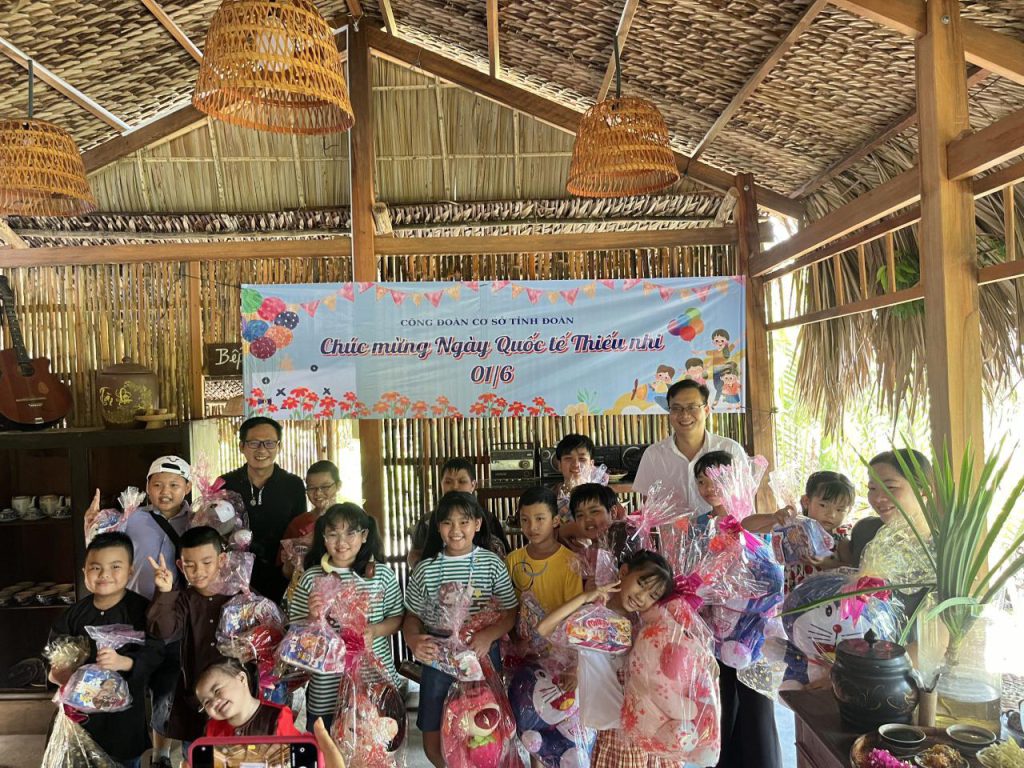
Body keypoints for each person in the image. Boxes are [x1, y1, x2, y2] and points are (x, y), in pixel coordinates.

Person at [83, 456, 192, 768]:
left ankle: (161, 755)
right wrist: (89, 529)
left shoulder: (199, 520)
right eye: (157, 484)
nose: (165, 491)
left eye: (174, 485)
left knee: (167, 687)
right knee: (127, 682)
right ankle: (123, 752)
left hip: (174, 618)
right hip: (132, 615)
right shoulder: (131, 518)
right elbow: (102, 550)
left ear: (187, 487)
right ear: (147, 487)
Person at [403, 491, 518, 768]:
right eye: (447, 522)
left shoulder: (491, 563)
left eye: (464, 522)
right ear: (438, 527)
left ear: (477, 524)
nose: (455, 530)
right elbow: (412, 616)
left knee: (486, 729)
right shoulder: (426, 569)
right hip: (437, 657)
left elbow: (510, 612)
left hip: (482, 654)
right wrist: (413, 640)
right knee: (433, 734)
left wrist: (489, 635)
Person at [537, 551, 676, 768]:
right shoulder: (593, 618)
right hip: (610, 726)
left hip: (641, 725)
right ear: (624, 572)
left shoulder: (646, 624)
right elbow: (545, 628)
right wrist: (585, 598)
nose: (642, 597)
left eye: (652, 595)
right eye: (641, 584)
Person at [691, 454, 782, 768]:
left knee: (757, 703)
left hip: (753, 631)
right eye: (701, 481)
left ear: (735, 481)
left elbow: (771, 576)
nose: (708, 488)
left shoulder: (756, 521)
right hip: (714, 629)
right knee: (721, 701)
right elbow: (692, 571)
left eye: (717, 480)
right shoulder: (699, 524)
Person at [48, 532, 164, 768]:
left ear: (130, 571)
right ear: (84, 572)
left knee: (124, 761)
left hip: (123, 721)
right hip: (80, 718)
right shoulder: (74, 614)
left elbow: (156, 651)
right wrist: (56, 672)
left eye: (115, 567)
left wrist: (125, 663)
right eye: (95, 568)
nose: (104, 575)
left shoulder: (142, 611)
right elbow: (54, 651)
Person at [288, 503, 405, 732]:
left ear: (364, 535)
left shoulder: (381, 575)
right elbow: (296, 632)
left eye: (350, 533)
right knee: (327, 744)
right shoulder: (311, 578)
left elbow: (398, 618)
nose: (341, 542)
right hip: (326, 686)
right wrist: (312, 617)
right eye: (333, 534)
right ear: (323, 538)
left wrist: (374, 631)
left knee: (377, 741)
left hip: (374, 680)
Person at [146, 526, 235, 750]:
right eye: (190, 565)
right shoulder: (182, 600)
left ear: (222, 560)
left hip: (235, 699)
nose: (198, 571)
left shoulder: (240, 596)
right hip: (197, 700)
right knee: (195, 753)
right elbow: (163, 630)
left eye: (207, 562)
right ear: (180, 566)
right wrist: (164, 592)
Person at [220, 417, 306, 602]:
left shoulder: (293, 485)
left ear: (279, 446)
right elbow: (215, 530)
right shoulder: (226, 484)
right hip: (236, 578)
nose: (261, 449)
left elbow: (299, 532)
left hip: (282, 576)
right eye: (254, 443)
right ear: (241, 446)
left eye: (269, 443)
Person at [632, 379, 746, 511]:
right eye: (676, 408)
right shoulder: (653, 455)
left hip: (722, 525)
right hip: (670, 526)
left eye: (692, 407)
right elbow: (648, 505)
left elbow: (744, 502)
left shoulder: (731, 449)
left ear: (706, 410)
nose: (684, 414)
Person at [742, 470, 856, 590]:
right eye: (823, 505)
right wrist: (773, 517)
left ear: (848, 510)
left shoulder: (840, 538)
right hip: (793, 597)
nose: (831, 514)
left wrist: (826, 563)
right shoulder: (793, 527)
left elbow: (852, 570)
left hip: (827, 601)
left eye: (840, 510)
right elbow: (746, 526)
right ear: (806, 501)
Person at [407, 457, 509, 569]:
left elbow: (504, 553)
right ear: (441, 484)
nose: (455, 487)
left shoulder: (488, 519)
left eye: (462, 481)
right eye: (448, 482)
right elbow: (414, 553)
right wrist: (423, 570)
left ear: (473, 485)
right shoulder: (428, 520)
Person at [506, 486, 583, 615]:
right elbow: (508, 608)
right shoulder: (512, 560)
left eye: (539, 519)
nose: (532, 527)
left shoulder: (571, 562)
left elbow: (574, 613)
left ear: (555, 521)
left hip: (560, 628)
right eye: (525, 520)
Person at [195, 658, 301, 737]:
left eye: (217, 691)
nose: (214, 702)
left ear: (241, 679)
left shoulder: (276, 717)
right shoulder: (212, 729)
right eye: (207, 702)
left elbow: (298, 751)